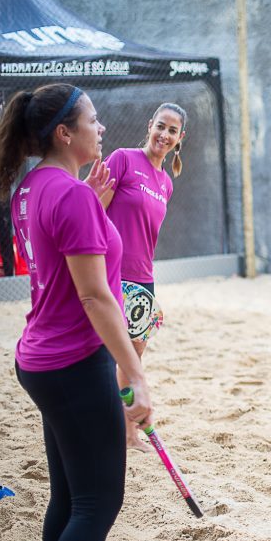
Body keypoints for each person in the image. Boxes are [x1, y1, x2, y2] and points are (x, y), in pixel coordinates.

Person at [0, 83, 153, 541]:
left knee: (69, 496)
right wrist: (134, 371)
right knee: (98, 501)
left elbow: (64, 257)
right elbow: (94, 297)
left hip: (39, 360)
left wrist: (93, 205)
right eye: (93, 120)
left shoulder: (33, 188)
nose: (101, 129)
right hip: (72, 364)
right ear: (65, 133)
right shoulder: (71, 195)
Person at [99, 103, 186, 452]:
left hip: (144, 280)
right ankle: (110, 433)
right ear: (150, 125)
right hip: (111, 274)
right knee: (110, 358)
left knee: (133, 360)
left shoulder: (166, 183)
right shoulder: (122, 159)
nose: (164, 135)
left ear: (180, 139)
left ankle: (128, 434)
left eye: (172, 131)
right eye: (160, 126)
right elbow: (93, 209)